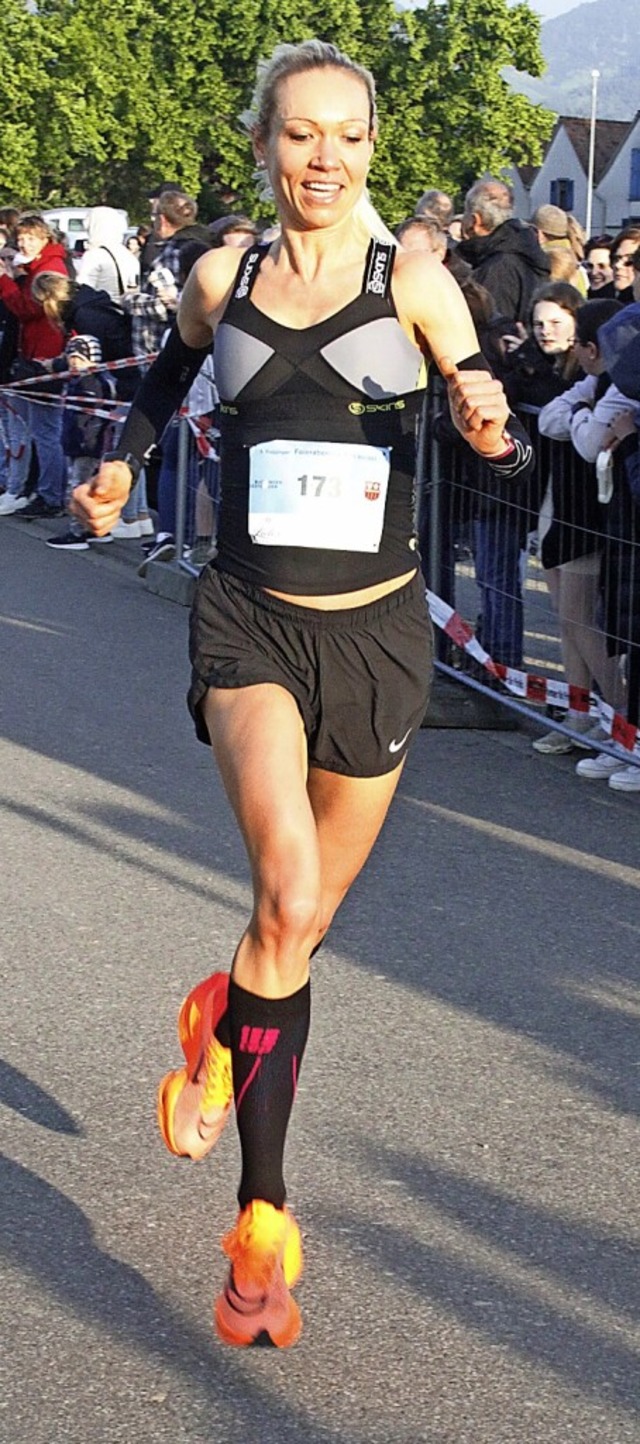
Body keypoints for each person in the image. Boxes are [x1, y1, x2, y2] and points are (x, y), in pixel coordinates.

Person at [72, 38, 533, 1349]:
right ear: (265, 143)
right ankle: (262, 1225)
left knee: (299, 929)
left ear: (372, 149)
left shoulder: (418, 282)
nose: (324, 158)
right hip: (251, 624)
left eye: (348, 135)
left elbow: (477, 389)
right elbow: (170, 371)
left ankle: (226, 1019)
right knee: (283, 894)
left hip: (379, 638)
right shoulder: (227, 272)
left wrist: (486, 415)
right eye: (300, 134)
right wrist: (120, 468)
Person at [0, 212, 70, 519]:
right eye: (21, 238)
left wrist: (5, 281)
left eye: (31, 238)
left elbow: (28, 309)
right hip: (34, 354)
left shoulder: (49, 268)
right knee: (37, 429)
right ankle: (41, 490)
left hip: (46, 357)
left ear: (45, 239)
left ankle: (51, 495)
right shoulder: (38, 267)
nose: (24, 243)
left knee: (45, 431)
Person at [44, 334, 118, 552]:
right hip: (81, 442)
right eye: (71, 357)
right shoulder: (83, 380)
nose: (73, 362)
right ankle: (93, 530)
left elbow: (92, 419)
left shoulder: (90, 382)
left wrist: (87, 442)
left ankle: (77, 532)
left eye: (79, 358)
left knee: (79, 488)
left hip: (86, 444)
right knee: (90, 487)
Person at [458, 177, 550, 324]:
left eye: (465, 213)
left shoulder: (497, 268)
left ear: (475, 220)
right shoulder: (523, 249)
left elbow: (490, 328)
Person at [76, 206, 140, 301]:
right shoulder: (129, 256)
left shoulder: (94, 255)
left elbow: (82, 289)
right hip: (121, 310)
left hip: (99, 310)